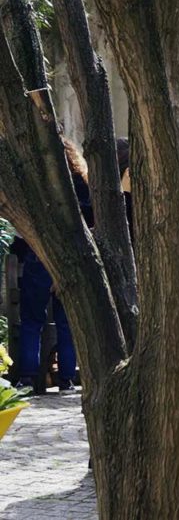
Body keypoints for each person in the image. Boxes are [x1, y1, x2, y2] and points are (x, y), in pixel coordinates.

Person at [13, 139, 92, 395]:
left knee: (31, 321)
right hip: (71, 256)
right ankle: (67, 378)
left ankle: (27, 378)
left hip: (38, 255)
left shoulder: (36, 183)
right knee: (67, 322)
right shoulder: (80, 183)